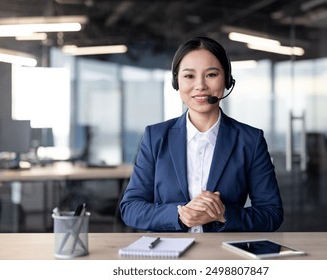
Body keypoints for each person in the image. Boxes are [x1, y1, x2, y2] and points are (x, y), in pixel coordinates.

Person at [119, 36, 283, 232]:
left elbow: (272, 213)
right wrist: (180, 214)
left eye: (211, 75)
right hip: (167, 254)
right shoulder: (155, 137)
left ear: (227, 80)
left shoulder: (250, 140)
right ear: (176, 82)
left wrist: (223, 214)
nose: (200, 85)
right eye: (189, 76)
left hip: (224, 253)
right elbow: (130, 208)